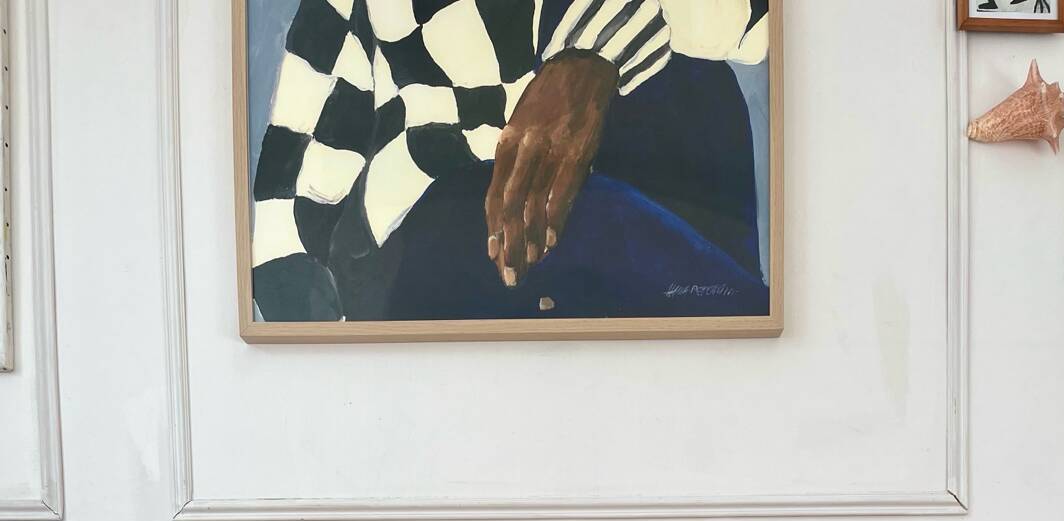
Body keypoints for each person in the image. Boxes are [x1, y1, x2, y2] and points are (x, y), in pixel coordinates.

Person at [251, 0, 770, 321]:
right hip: (442, 258)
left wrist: (594, 52)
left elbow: (759, 26)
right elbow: (290, 204)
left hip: (666, 242)